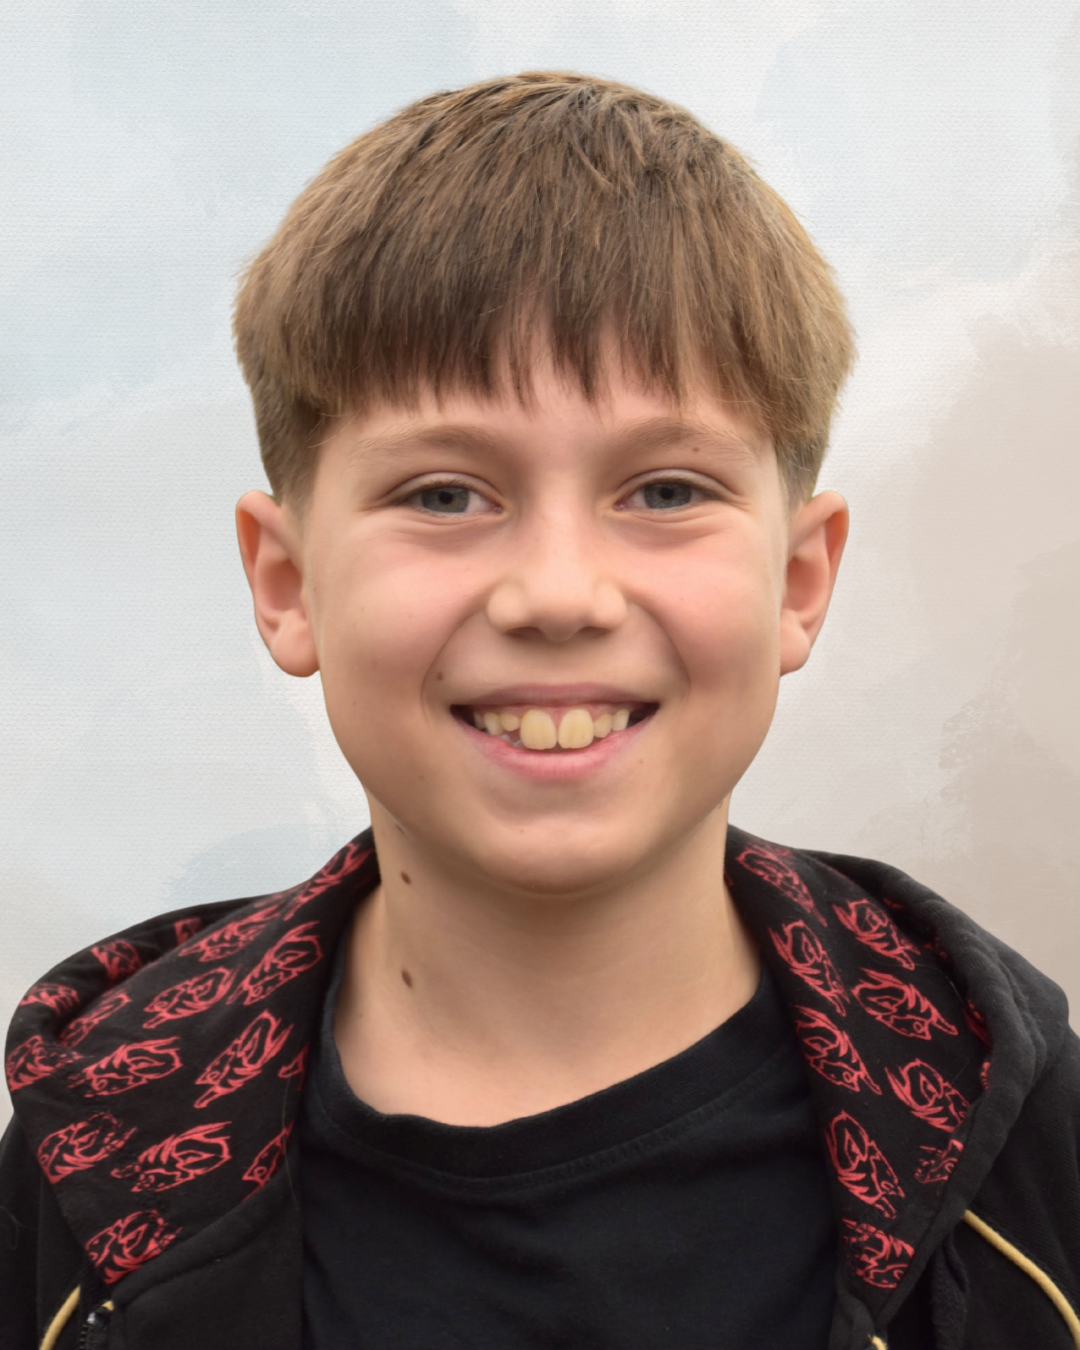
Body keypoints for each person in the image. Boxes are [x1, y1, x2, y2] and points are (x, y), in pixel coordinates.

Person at [2, 71, 1078, 1350]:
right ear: (287, 585)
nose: (559, 594)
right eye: (446, 495)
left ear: (799, 581)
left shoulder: (1016, 1132)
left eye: (667, 491)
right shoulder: (97, 1150)